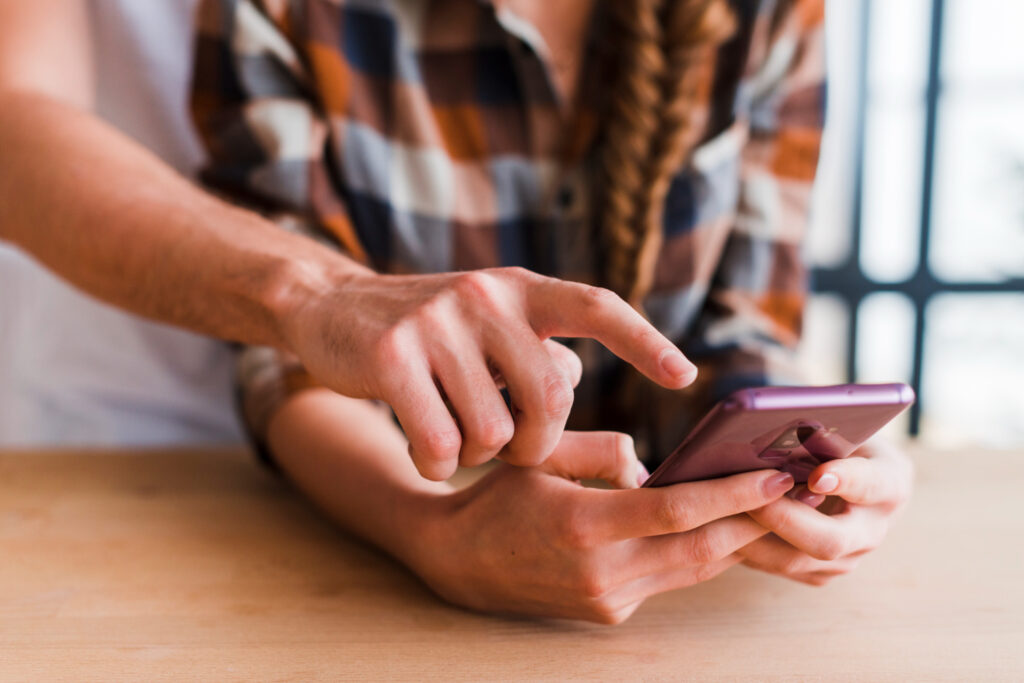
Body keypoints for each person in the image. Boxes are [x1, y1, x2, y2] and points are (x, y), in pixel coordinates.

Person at [0, 0, 912, 624]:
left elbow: (738, 327)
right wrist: (433, 530)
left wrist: (806, 464)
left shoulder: (763, 19)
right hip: (234, 507)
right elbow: (288, 353)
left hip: (655, 608)